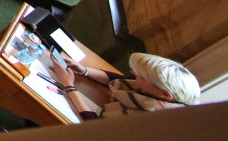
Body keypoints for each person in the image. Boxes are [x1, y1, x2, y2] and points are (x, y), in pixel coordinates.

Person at [51, 51, 199, 119]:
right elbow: (123, 79)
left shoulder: (152, 118)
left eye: (141, 76)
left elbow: (97, 128)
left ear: (165, 95)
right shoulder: (158, 92)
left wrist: (69, 85)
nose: (133, 73)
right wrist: (84, 70)